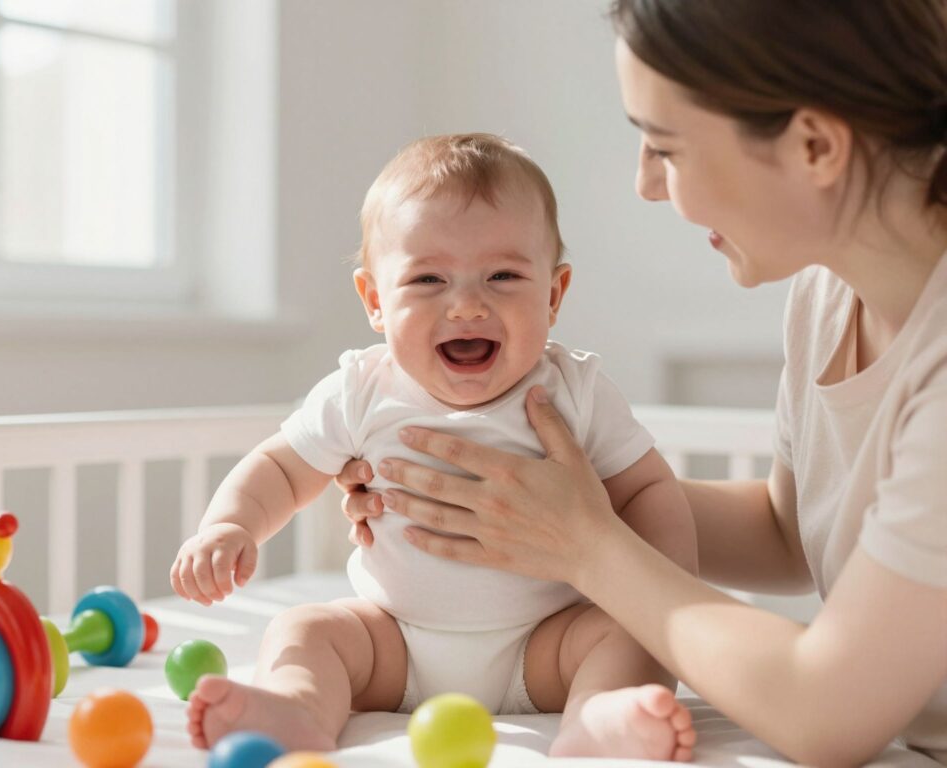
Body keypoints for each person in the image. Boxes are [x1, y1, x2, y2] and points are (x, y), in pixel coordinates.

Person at [336, 2, 947, 765]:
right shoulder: (829, 296)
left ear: (815, 145)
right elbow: (789, 533)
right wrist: (496, 493)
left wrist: (586, 543)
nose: (647, 184)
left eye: (665, 147)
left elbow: (824, 712)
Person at [170, 133, 699, 759]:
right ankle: (299, 707)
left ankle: (598, 718)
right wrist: (229, 525)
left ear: (554, 294)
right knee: (304, 628)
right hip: (393, 642)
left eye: (503, 275)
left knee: (630, 634)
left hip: (548, 644)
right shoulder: (360, 389)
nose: (468, 305)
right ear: (375, 301)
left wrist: (671, 593)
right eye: (428, 279)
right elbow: (280, 470)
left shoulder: (575, 392)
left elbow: (646, 490)